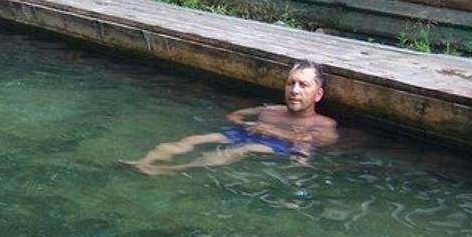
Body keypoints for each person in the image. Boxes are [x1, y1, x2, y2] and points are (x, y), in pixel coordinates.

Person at [127, 60, 339, 174]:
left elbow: (317, 141)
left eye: (303, 85)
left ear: (318, 94)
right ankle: (143, 161)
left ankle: (171, 169)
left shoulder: (324, 124)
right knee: (195, 139)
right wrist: (242, 123)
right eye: (291, 83)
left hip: (277, 146)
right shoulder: (271, 110)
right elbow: (235, 114)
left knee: (242, 150)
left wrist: (271, 131)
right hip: (245, 133)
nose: (294, 90)